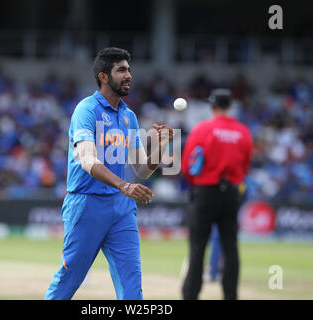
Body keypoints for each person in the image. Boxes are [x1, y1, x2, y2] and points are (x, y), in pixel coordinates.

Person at [45, 47, 174, 300]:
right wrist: (125, 186)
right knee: (70, 278)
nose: (128, 75)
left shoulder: (129, 116)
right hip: (87, 203)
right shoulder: (87, 110)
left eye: (129, 70)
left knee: (131, 283)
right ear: (104, 77)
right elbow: (88, 161)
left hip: (121, 208)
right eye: (121, 70)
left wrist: (162, 146)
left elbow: (142, 170)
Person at [181, 88, 253, 300]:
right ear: (230, 107)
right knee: (230, 247)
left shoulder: (202, 129)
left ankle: (190, 295)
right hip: (231, 192)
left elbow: (187, 164)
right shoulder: (243, 132)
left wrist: (198, 185)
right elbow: (246, 165)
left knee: (197, 247)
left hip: (205, 191)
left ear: (212, 107)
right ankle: (230, 295)